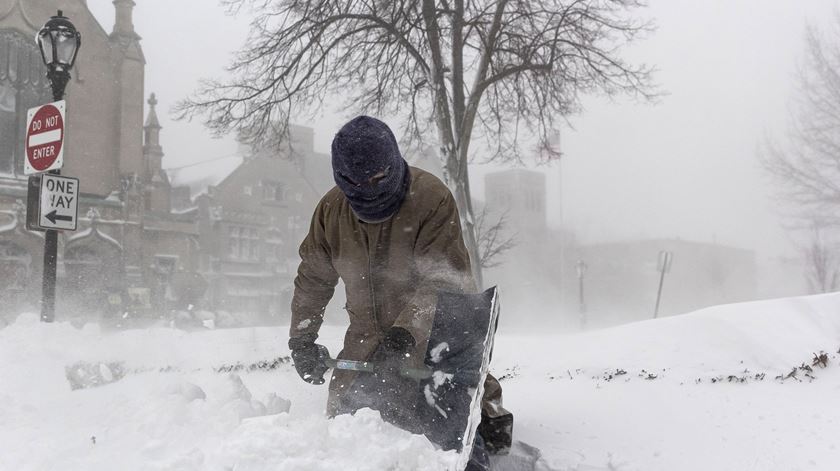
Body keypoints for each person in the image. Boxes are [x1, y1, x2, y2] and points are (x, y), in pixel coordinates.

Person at [287, 116, 512, 467]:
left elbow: (446, 280)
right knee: (348, 424)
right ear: (341, 178)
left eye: (379, 178)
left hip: (431, 332)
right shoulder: (331, 212)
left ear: (393, 162)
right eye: (358, 183)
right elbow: (313, 277)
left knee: (442, 420)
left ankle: (485, 408)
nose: (371, 189)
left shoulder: (430, 199)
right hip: (365, 338)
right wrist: (302, 338)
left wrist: (407, 335)